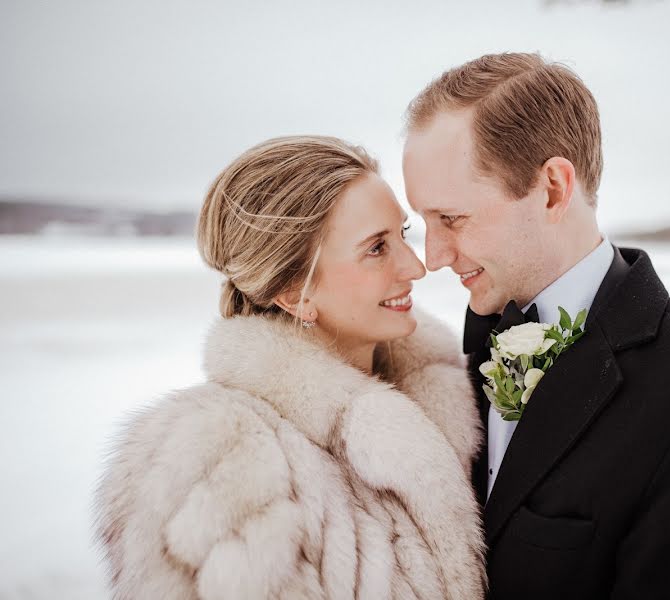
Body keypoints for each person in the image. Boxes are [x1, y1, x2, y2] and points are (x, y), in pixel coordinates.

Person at [402, 52, 670, 599]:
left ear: (554, 189)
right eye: (423, 223)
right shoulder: (441, 369)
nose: (434, 256)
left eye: (452, 219)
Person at [93, 136, 486, 599]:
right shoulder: (224, 464)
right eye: (377, 248)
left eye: (402, 234)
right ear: (295, 293)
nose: (416, 267)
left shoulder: (453, 394)